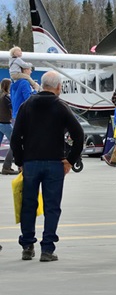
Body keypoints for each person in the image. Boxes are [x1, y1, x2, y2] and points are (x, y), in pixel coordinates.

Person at [10, 70, 84, 262]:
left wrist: (20, 162)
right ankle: (47, 249)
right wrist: (71, 159)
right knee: (52, 206)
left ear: (42, 85)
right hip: (54, 163)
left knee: (29, 205)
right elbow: (79, 134)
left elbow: (15, 137)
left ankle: (27, 245)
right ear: (58, 87)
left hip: (31, 163)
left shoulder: (27, 106)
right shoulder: (61, 107)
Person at [1, 78, 19, 175]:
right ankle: (6, 166)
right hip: (5, 123)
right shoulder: (7, 97)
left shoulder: (1, 96)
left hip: (1, 123)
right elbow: (13, 107)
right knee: (14, 143)